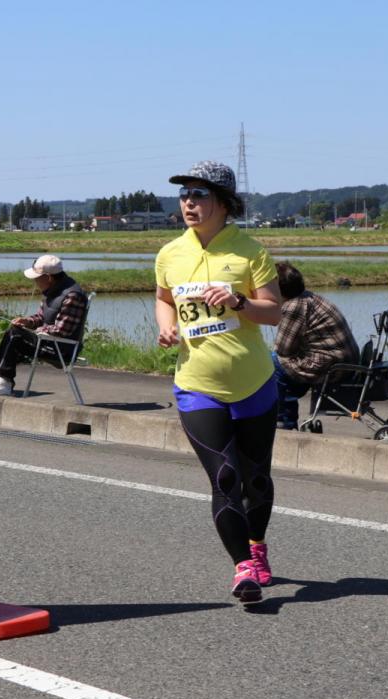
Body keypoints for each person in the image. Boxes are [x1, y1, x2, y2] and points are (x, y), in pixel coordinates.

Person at [154, 161, 283, 605]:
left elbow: (274, 311)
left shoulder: (250, 252)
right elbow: (163, 299)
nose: (189, 202)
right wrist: (167, 326)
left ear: (224, 203)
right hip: (196, 385)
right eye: (185, 194)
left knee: (256, 480)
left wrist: (239, 300)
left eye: (200, 194)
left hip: (253, 383)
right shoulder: (170, 253)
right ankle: (243, 567)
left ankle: (258, 545)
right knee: (224, 478)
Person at [0, 255, 87, 396]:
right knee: (15, 331)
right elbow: (41, 317)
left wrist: (37, 331)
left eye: (36, 278)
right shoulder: (52, 290)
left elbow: (62, 330)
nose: (34, 282)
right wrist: (27, 322)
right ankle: (1, 380)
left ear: (48, 277)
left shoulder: (72, 296)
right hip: (49, 342)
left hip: (61, 350)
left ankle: (3, 382)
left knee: (15, 334)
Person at [272, 262, 360, 429]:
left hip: (333, 366)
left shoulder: (293, 307)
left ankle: (284, 421)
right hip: (343, 361)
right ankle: (284, 412)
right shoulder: (308, 296)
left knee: (272, 364)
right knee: (280, 364)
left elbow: (283, 350)